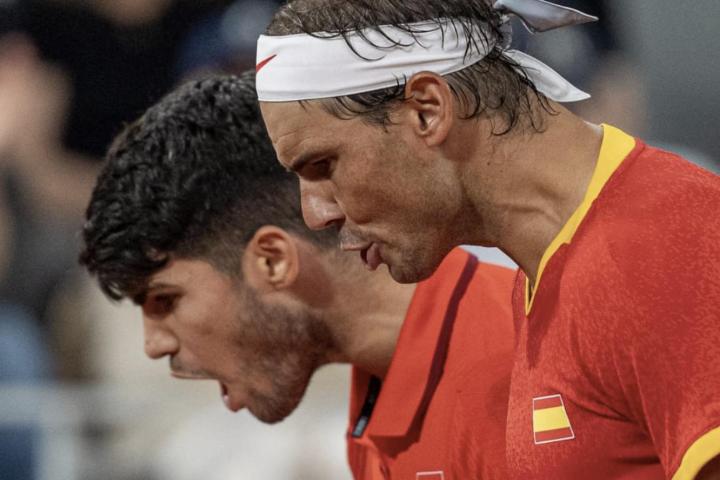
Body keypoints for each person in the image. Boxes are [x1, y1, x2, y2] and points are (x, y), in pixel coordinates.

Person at [256, 0, 720, 478]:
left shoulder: (656, 247)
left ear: (427, 110)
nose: (316, 214)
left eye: (323, 165)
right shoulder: (548, 271)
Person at [79, 73, 517, 479]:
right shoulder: (376, 405)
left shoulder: (513, 367)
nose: (154, 345)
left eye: (165, 299)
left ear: (273, 261)